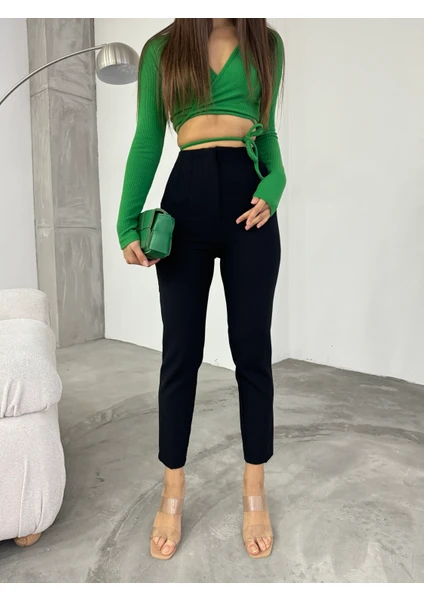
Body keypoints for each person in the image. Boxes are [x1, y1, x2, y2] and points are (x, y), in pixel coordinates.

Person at [117, 18, 286, 560]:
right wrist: (125, 222)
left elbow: (267, 133)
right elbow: (148, 137)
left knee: (252, 352)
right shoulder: (162, 49)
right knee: (180, 353)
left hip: (249, 201)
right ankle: (173, 489)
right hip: (185, 197)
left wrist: (276, 185)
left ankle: (254, 487)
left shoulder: (267, 43)